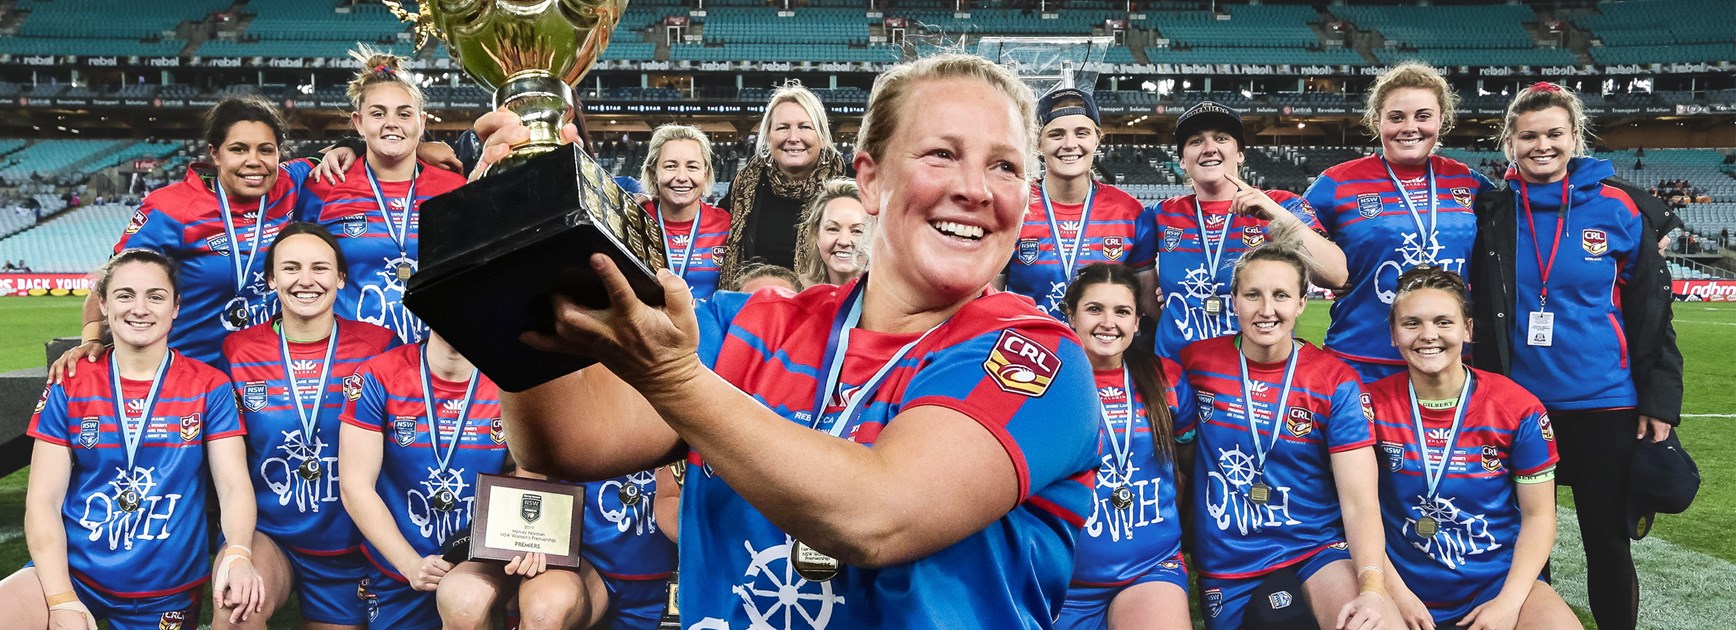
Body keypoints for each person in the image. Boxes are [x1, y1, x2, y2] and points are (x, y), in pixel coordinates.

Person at [480, 53, 1100, 628]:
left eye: (1005, 166)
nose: (976, 189)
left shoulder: (1039, 359)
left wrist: (676, 381)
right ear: (871, 180)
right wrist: (528, 239)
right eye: (941, 154)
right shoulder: (750, 325)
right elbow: (565, 441)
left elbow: (879, 516)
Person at [1469, 81, 1682, 630]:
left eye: (1554, 134)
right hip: (1516, 408)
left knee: (1606, 544)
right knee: (1521, 545)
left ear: (1574, 137)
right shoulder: (1492, 212)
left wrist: (1659, 399)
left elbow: (1652, 311)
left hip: (1603, 405)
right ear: (1510, 143)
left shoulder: (1619, 207)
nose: (1542, 145)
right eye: (1528, 136)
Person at [0, 249, 263, 628]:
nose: (139, 308)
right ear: (103, 304)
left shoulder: (210, 386)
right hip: (75, 573)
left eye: (155, 296)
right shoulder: (71, 382)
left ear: (175, 306)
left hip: (164, 588)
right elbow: (44, 499)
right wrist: (61, 600)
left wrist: (238, 552)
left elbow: (233, 486)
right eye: (125, 295)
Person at [1178, 228, 1393, 630]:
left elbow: (1359, 501)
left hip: (1315, 549)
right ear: (1234, 301)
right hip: (1231, 560)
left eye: (1280, 295)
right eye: (1252, 295)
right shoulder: (1195, 363)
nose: (1266, 309)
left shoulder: (1335, 380)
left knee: (1372, 624)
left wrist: (1372, 589)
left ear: (1301, 303)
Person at [1367, 266, 1578, 629]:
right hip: (1397, 583)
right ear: (1393, 334)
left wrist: (1508, 603)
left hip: (1494, 585)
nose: (1428, 335)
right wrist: (1396, 594)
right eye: (1412, 323)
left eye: (1443, 322)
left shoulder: (1518, 408)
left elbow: (1539, 517)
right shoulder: (1367, 406)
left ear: (1467, 329)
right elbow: (1356, 512)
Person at [220, 223, 400, 629]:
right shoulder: (237, 350)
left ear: (341, 278)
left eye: (320, 268)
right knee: (236, 609)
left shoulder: (380, 346)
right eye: (291, 268)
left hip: (351, 542)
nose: (306, 280)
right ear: (271, 280)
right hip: (269, 535)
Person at [57, 95, 319, 374]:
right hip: (192, 374)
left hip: (265, 374)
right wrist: (92, 339)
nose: (254, 161)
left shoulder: (289, 183)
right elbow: (111, 279)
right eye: (238, 149)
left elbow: (331, 153)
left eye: (266, 150)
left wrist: (345, 149)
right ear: (215, 153)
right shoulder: (171, 208)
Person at [1302, 62, 1493, 383]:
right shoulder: (1337, 183)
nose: (1409, 127)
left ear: (1441, 120)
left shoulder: (1469, 182)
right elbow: (1287, 239)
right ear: (1376, 120)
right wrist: (1323, 268)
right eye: (1396, 117)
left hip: (1449, 361)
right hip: (1361, 360)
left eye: (1423, 116)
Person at [337, 333, 516, 628]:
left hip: (480, 564)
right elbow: (355, 486)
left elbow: (528, 476)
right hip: (400, 567)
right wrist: (409, 564)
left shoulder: (513, 379)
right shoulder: (378, 375)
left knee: (464, 603)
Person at [1149, 101, 1347, 361]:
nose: (1209, 148)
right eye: (1196, 141)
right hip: (1175, 371)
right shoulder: (1161, 214)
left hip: (1251, 373)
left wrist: (1277, 216)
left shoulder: (1283, 205)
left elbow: (1336, 275)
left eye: (1221, 138)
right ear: (1183, 161)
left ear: (1240, 154)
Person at [296, 47, 468, 344]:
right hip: (353, 358)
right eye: (378, 113)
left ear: (421, 123)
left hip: (434, 357)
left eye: (404, 114)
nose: (392, 123)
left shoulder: (453, 188)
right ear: (359, 122)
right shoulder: (325, 186)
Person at [1057, 263, 1195, 630]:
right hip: (1062, 577)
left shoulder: (1167, 379)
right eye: (1094, 309)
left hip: (1149, 567)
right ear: (1071, 316)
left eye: (1122, 312)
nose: (1108, 322)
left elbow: (1185, 466)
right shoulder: (1047, 385)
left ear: (1137, 322)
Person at [998, 86, 1154, 320]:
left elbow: (1146, 305)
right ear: (1038, 143)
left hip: (1101, 342)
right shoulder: (1013, 205)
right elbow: (991, 299)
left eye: (1082, 133)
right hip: (1027, 342)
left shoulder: (1129, 212)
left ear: (1097, 139)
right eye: (1056, 134)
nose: (1070, 144)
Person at [718, 83, 849, 281]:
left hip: (832, 299)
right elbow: (707, 223)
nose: (793, 138)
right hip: (756, 297)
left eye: (804, 127)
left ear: (822, 137)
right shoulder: (745, 186)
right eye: (783, 128)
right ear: (768, 137)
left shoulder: (850, 185)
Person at [640, 124, 732, 301]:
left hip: (707, 319)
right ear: (653, 173)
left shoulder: (727, 226)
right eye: (670, 166)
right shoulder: (635, 219)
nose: (682, 177)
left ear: (705, 174)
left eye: (692, 167)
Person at [794, 178, 872, 287]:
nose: (844, 241)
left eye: (857, 231)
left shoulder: (892, 294)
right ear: (817, 235)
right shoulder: (797, 291)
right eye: (833, 229)